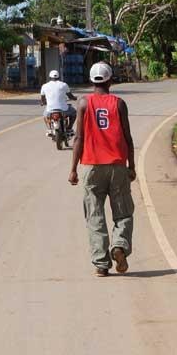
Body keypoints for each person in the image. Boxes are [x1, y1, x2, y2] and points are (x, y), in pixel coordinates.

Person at [69, 62, 136, 277]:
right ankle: (119, 246)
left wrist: (73, 169)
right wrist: (132, 166)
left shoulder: (83, 103)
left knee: (94, 215)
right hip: (117, 166)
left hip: (92, 166)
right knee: (123, 212)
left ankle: (101, 264)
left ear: (91, 81)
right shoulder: (119, 104)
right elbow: (127, 137)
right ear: (110, 81)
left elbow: (78, 138)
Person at [40, 70, 78, 136]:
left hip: (50, 109)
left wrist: (43, 103)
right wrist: (74, 98)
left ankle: (49, 129)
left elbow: (42, 98)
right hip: (63, 109)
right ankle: (69, 128)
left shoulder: (44, 86)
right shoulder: (64, 85)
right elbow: (70, 96)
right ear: (59, 77)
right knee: (74, 112)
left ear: (49, 77)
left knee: (45, 115)